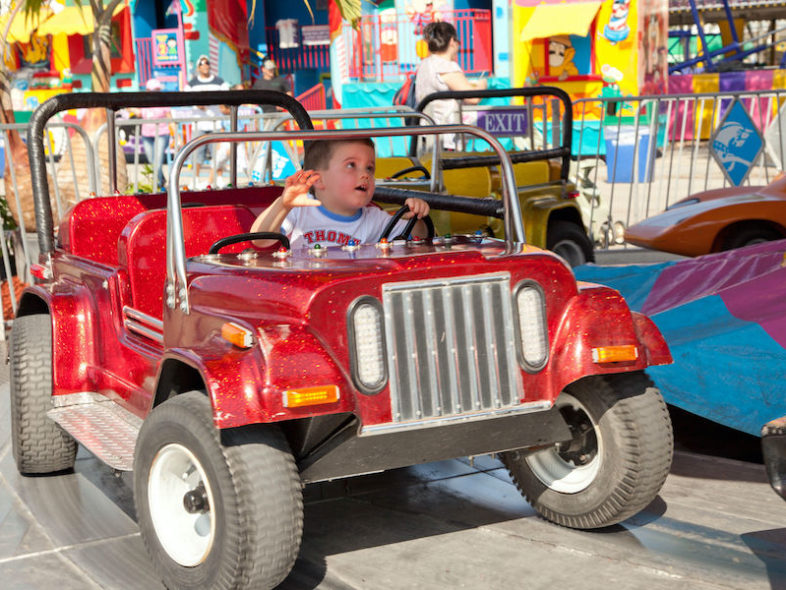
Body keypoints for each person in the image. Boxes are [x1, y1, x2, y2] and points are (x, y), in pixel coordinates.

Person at [251, 138, 430, 248]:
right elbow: (260, 240)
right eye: (351, 165)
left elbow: (417, 238)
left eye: (370, 168)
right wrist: (283, 205)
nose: (365, 175)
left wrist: (416, 215)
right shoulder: (300, 210)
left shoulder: (375, 219)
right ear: (318, 180)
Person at [414, 21, 487, 150]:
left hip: (426, 133)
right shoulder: (445, 66)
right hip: (445, 137)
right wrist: (482, 85)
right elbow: (472, 97)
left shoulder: (425, 64)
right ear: (452, 41)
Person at [184, 55, 229, 184]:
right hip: (200, 124)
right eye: (202, 63)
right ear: (198, 67)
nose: (205, 65)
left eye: (207, 63)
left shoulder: (219, 82)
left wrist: (221, 105)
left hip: (216, 123)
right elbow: (188, 99)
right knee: (197, 153)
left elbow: (225, 98)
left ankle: (219, 178)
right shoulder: (192, 83)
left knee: (218, 154)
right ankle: (196, 179)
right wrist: (198, 104)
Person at [138, 77, 172, 190]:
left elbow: (169, 117)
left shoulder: (163, 102)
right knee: (151, 159)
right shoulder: (143, 101)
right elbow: (139, 113)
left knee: (157, 159)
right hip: (146, 134)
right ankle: (161, 180)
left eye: (157, 90)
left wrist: (177, 135)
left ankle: (157, 183)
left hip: (161, 133)